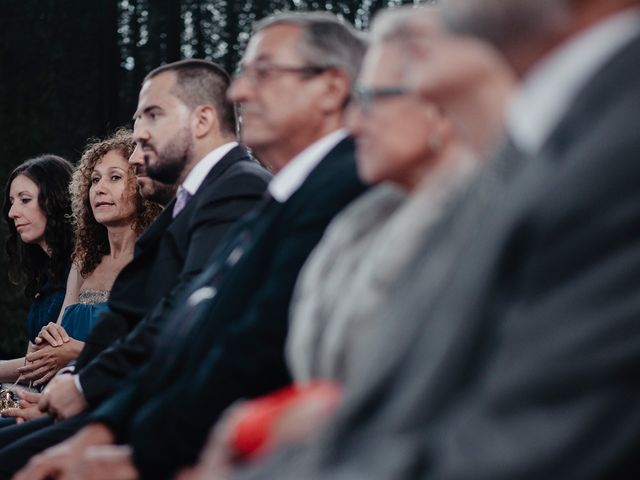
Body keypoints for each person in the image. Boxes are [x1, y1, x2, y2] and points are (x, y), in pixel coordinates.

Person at [214, 1, 640, 479]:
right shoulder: (547, 146)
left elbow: (523, 444)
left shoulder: (610, 150)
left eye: (375, 99)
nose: (355, 124)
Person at [12, 11, 368, 480]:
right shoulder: (279, 194)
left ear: (330, 88)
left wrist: (115, 432)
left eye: (262, 72)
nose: (239, 92)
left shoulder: (272, 189)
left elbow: (223, 337)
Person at [176, 8, 516, 477]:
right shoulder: (360, 222)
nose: (354, 124)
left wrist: (251, 433)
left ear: (437, 109)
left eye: (374, 100)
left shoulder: (480, 228)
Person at [0, 59, 271, 465]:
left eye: (153, 115)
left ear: (202, 120)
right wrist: (66, 387)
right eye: (138, 118)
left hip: (174, 414)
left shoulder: (238, 188)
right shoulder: (188, 204)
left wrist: (84, 391)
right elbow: (128, 316)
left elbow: (186, 318)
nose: (140, 134)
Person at [13, 129, 161, 389]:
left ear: (140, 185)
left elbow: (152, 353)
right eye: (93, 180)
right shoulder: (84, 262)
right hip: (55, 395)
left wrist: (76, 351)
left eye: (114, 177)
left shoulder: (155, 259)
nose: (100, 188)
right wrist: (51, 337)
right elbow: (52, 348)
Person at [0, 156, 74, 386]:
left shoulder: (82, 265)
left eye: (24, 200)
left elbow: (47, 359)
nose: (12, 212)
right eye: (12, 201)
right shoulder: (47, 275)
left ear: (55, 201)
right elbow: (32, 358)